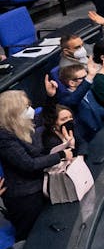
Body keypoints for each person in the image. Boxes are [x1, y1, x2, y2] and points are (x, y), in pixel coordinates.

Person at [0, 90, 66, 238]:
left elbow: (46, 117)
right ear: (13, 112)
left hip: (39, 186)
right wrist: (60, 155)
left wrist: (50, 96)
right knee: (30, 236)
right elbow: (29, 164)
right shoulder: (4, 137)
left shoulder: (23, 124)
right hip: (24, 197)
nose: (30, 110)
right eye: (25, 107)